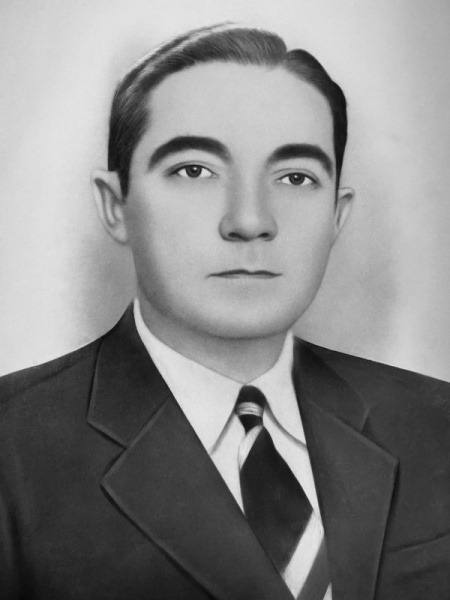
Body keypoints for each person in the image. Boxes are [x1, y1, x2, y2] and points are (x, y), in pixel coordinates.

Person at [0, 23, 449, 600]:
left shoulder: (435, 424)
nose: (249, 220)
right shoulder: (13, 449)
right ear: (116, 206)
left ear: (336, 216)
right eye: (194, 171)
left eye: (295, 177)